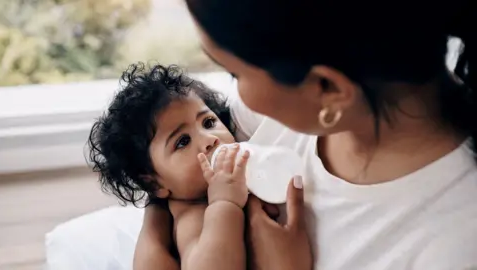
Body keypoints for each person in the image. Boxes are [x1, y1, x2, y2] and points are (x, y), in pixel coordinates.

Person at [134, 0, 477, 269]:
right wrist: (158, 232)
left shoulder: (456, 247)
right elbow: (172, 178)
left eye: (235, 73)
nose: (229, 103)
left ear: (327, 88)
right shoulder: (284, 107)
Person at [87, 63, 267, 270]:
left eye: (208, 122)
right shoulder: (192, 215)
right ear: (155, 184)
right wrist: (224, 203)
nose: (210, 139)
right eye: (183, 141)